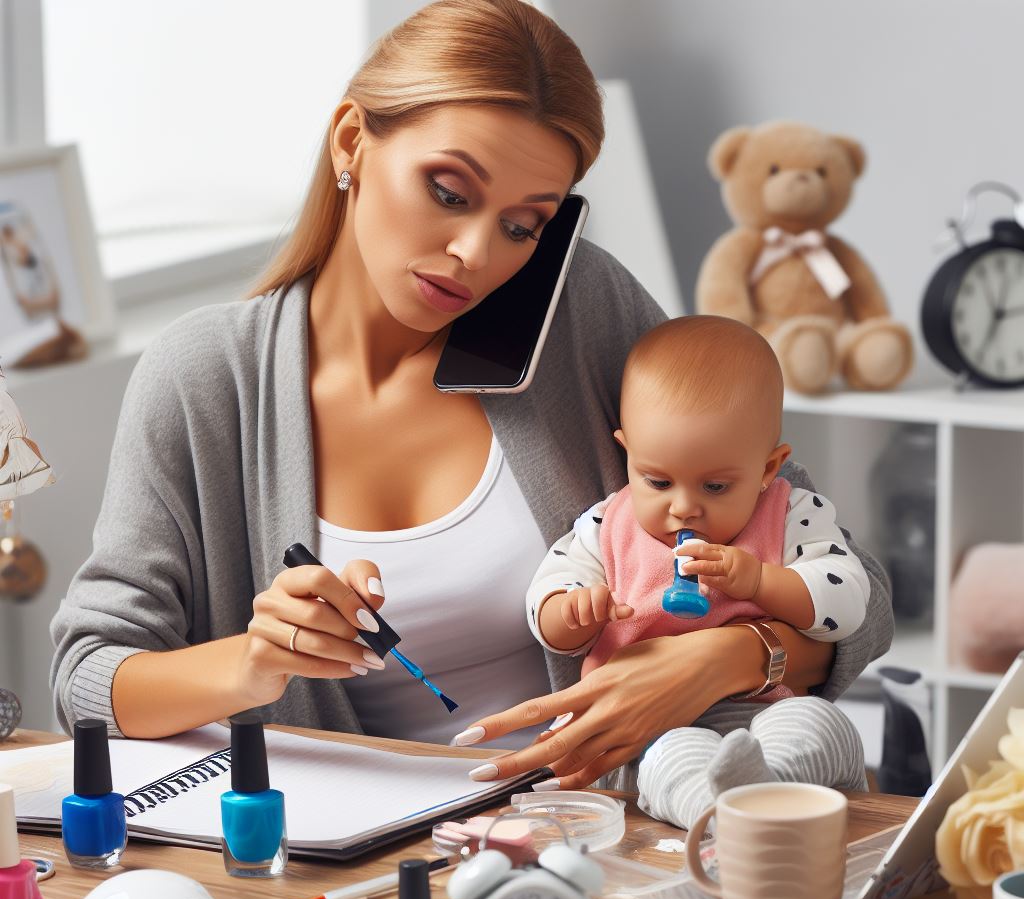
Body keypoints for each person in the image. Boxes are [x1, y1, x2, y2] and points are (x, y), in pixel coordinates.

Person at [50, 0, 893, 795]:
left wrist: (731, 659)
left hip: (611, 828)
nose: (474, 254)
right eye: (449, 193)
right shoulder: (205, 380)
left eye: (524, 225)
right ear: (351, 141)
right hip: (355, 869)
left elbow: (856, 593)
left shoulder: (578, 313)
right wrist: (254, 661)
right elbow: (87, 681)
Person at [519, 315, 868, 826]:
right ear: (628, 454)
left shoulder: (791, 514)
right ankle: (716, 815)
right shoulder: (606, 524)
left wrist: (760, 581)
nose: (684, 508)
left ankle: (761, 789)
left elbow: (848, 603)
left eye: (716, 487)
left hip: (760, 721)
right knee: (674, 755)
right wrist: (571, 612)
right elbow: (545, 599)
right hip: (641, 733)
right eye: (657, 481)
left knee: (817, 721)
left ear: (769, 469)